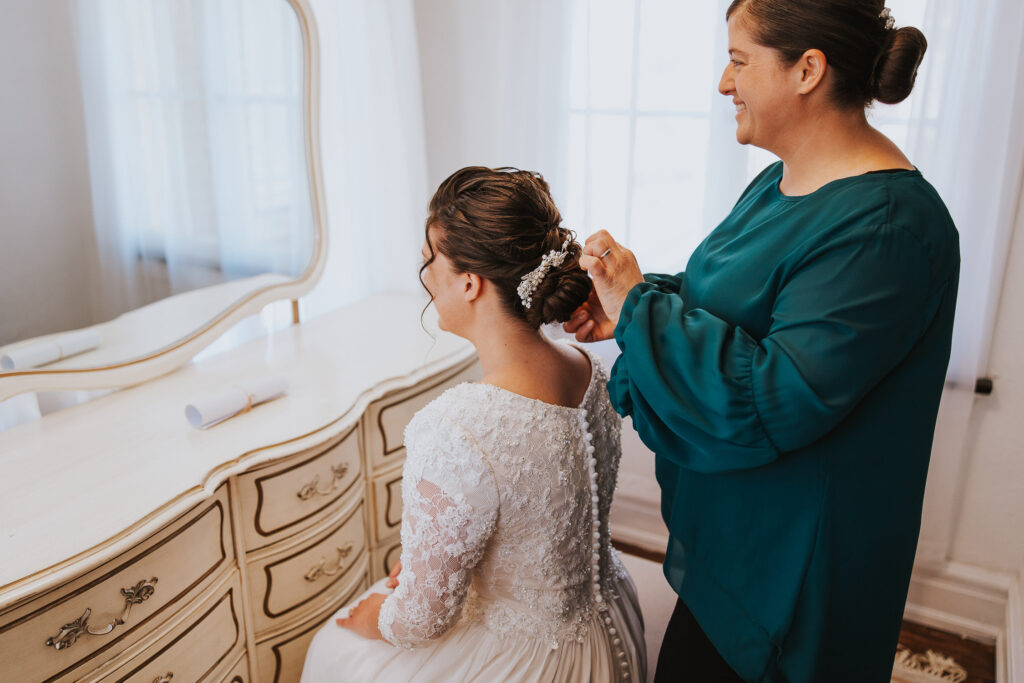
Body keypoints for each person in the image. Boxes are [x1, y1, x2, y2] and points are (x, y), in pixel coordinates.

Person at [564, 1, 959, 681]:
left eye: (739, 61)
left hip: (789, 581)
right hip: (733, 543)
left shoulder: (887, 228)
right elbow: (727, 299)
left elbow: (769, 399)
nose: (725, 82)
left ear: (807, 70)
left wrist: (639, 308)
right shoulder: (776, 181)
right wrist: (629, 305)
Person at [301, 167, 646, 682]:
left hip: (533, 661)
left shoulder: (457, 430)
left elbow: (422, 619)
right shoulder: (590, 370)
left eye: (429, 261)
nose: (424, 275)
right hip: (608, 622)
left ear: (470, 283)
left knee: (334, 647)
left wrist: (376, 617)